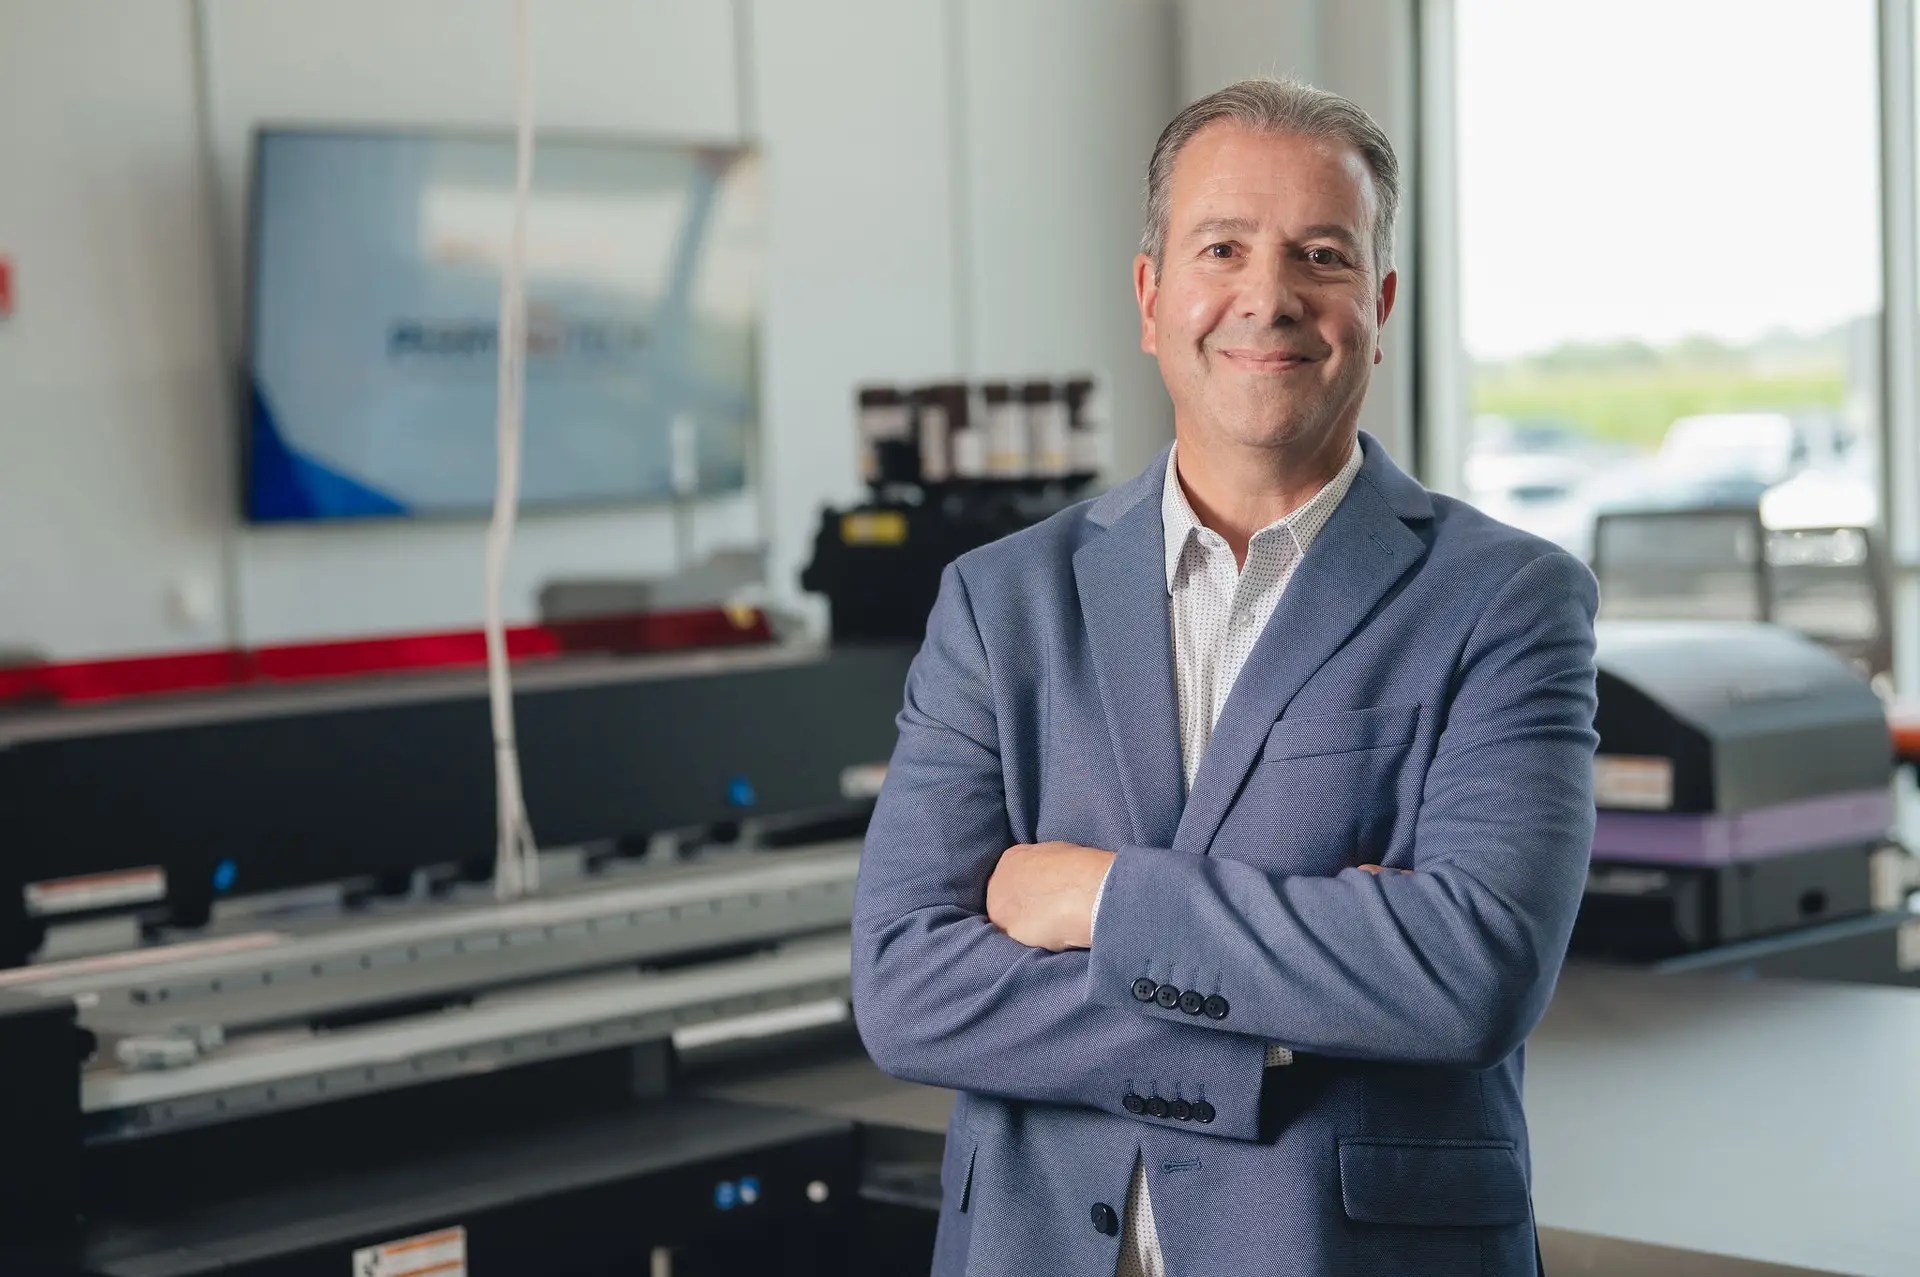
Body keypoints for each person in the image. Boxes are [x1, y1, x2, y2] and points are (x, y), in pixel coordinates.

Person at [851, 76, 1596, 1277]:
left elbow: (1470, 967)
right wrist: (1272, 1030)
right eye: (1222, 247)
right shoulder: (1002, 602)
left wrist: (1096, 902)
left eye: (1321, 254)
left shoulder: (1506, 600)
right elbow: (906, 984)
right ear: (1152, 297)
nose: (1270, 296)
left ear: (1380, 301)